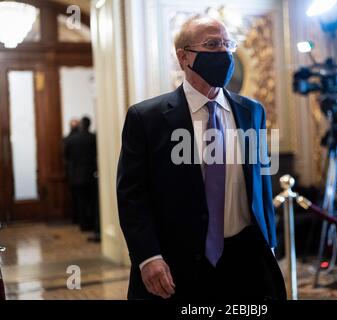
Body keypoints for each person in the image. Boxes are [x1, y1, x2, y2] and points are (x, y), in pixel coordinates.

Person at [117, 16, 286, 301]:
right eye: (212, 44)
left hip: (245, 257)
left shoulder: (251, 111)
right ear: (184, 57)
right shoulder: (146, 118)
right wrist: (148, 256)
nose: (223, 53)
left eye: (226, 44)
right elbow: (132, 195)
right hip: (178, 261)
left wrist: (268, 241)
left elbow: (261, 179)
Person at [64, 116, 98, 232]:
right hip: (91, 173)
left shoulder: (71, 139)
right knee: (91, 201)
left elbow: (66, 156)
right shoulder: (93, 137)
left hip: (75, 175)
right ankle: (92, 223)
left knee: (80, 201)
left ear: (81, 125)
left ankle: (82, 224)